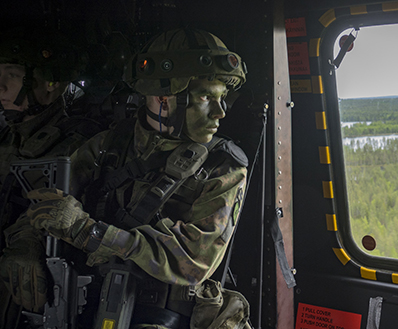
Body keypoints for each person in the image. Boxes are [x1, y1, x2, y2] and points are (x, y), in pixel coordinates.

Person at [16, 28, 251, 329]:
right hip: (85, 300)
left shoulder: (224, 167)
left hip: (163, 315)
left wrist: (90, 232)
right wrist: (25, 245)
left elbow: (193, 263)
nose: (220, 112)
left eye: (222, 98)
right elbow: (44, 200)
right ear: (162, 97)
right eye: (205, 97)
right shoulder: (108, 144)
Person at [0, 28, 104, 329]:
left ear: (50, 84)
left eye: (12, 75)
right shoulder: (8, 137)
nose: (1, 86)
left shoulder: (81, 141)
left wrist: (25, 242)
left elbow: (57, 207)